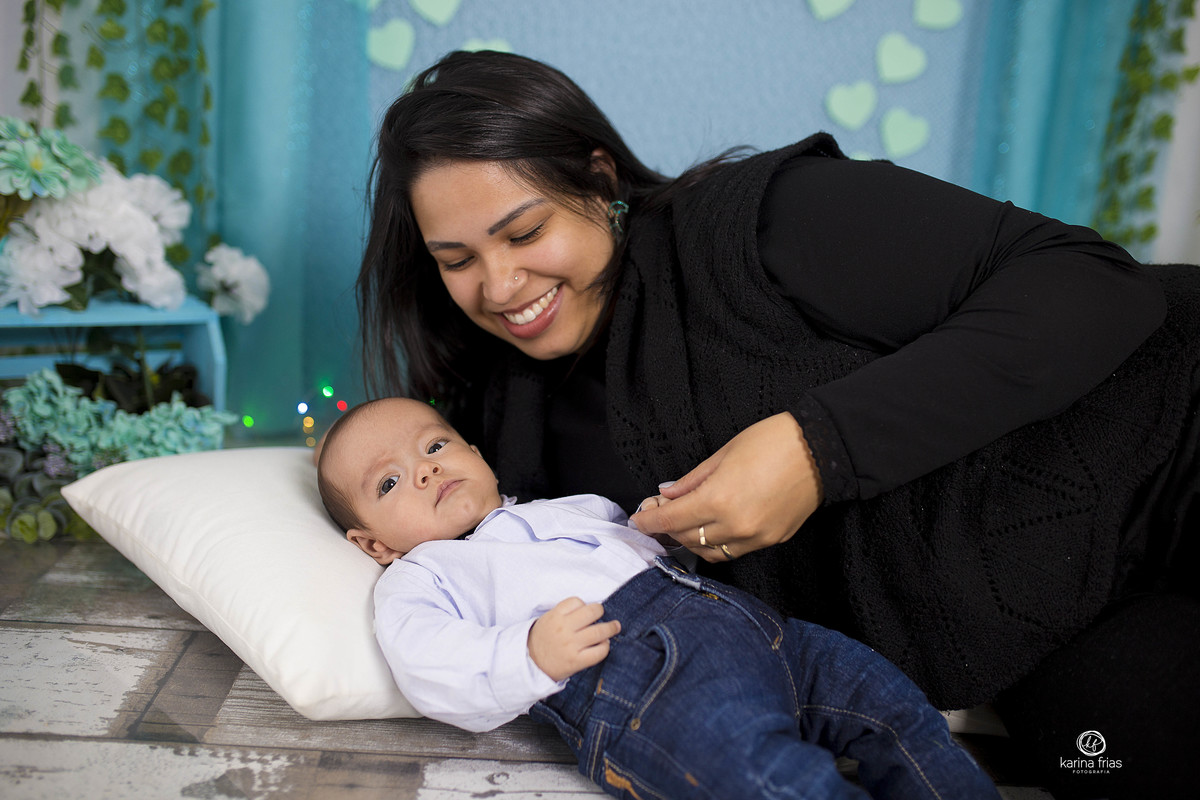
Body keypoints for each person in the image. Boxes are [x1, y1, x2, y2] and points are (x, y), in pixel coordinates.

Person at [356, 50, 1200, 798]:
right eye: (457, 260)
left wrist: (815, 449)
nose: (500, 287)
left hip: (1172, 423)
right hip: (1059, 608)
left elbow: (1095, 286)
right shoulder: (502, 443)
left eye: (526, 231)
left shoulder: (757, 224)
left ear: (601, 180)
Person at [316, 396, 1002, 800]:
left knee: (890, 703)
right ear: (374, 545)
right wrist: (525, 653)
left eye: (436, 444)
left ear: (474, 449)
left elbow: (640, 545)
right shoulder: (426, 574)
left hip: (766, 637)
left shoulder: (565, 508)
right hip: (649, 688)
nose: (428, 467)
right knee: (772, 780)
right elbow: (429, 662)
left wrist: (662, 528)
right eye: (390, 483)